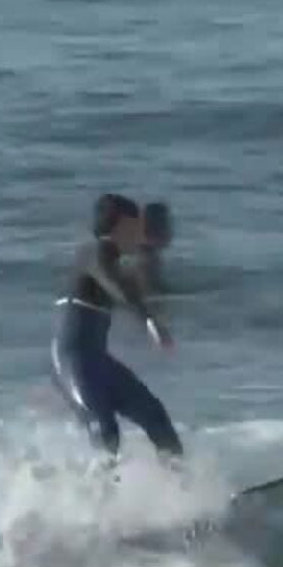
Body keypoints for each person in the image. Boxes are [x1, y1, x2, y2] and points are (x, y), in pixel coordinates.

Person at [51, 193, 182, 461]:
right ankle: (95, 487)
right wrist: (149, 320)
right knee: (105, 430)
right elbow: (115, 285)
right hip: (73, 362)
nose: (139, 235)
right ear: (121, 226)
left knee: (155, 416)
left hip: (98, 363)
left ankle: (181, 481)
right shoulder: (93, 252)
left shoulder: (115, 263)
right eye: (135, 228)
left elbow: (129, 286)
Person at [134, 200, 172, 297]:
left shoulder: (143, 253)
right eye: (167, 225)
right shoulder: (147, 260)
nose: (171, 231)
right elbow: (149, 293)